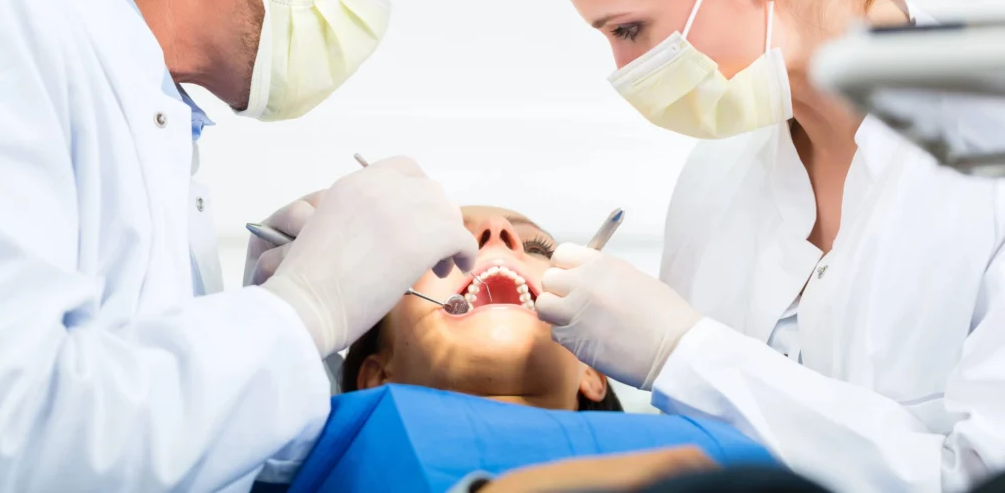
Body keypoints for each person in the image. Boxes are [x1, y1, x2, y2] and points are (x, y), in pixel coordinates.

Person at [0, 0, 478, 490]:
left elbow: (138, 441)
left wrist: (258, 327)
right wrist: (298, 314)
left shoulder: (146, 105)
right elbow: (12, 440)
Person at [532, 0, 1005, 491]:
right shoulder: (716, 180)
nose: (624, 67)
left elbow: (977, 476)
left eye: (631, 28)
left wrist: (685, 352)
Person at [278, 207, 775, 493]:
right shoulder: (296, 457)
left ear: (593, 367)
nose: (496, 232)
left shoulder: (733, 455)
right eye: (439, 251)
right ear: (374, 374)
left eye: (537, 251)